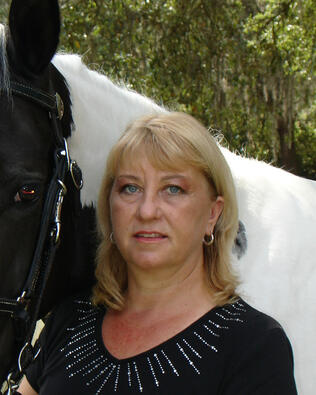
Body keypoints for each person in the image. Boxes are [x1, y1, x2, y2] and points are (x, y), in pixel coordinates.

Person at [18, 112, 297, 394]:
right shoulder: (69, 321)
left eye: (173, 189)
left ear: (213, 214)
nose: (147, 210)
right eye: (130, 188)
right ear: (110, 207)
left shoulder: (255, 347)